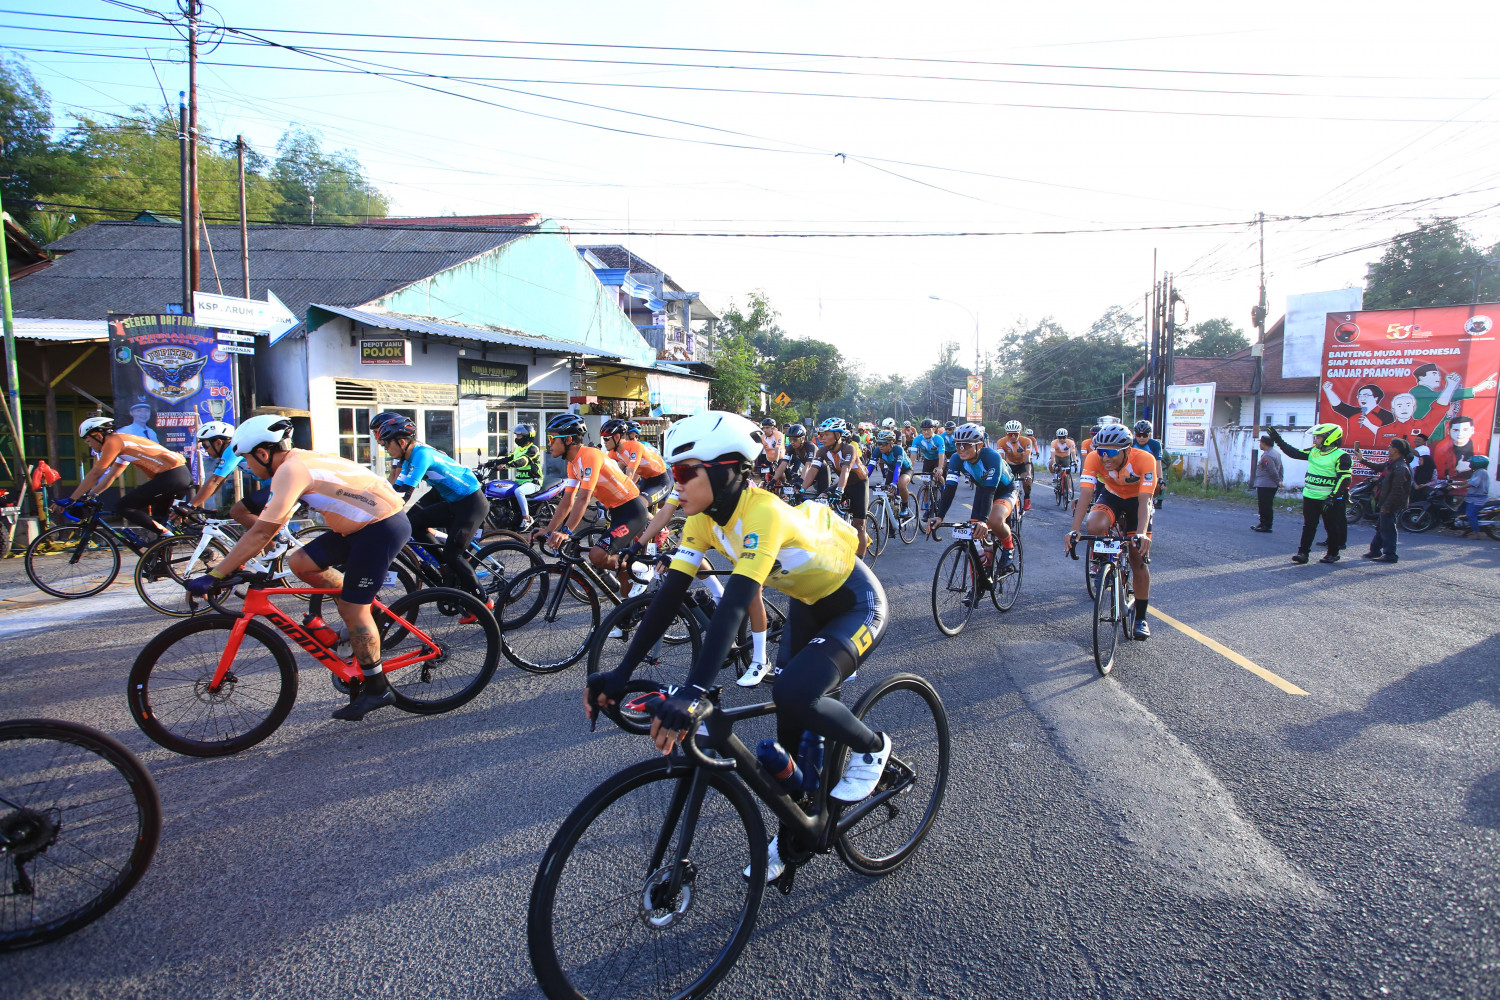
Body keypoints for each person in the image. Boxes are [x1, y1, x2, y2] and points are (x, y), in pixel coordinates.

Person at [586, 411, 892, 884]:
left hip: (855, 602)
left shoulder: (763, 512)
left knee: (794, 691)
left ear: (728, 471)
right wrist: (620, 673)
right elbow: (667, 598)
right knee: (788, 736)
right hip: (809, 604)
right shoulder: (702, 520)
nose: (675, 483)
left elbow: (733, 607)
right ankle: (797, 830)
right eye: (673, 471)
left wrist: (694, 691)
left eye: (685, 471)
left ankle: (873, 748)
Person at [185, 415, 411, 721]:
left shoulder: (291, 470)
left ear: (263, 454)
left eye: (247, 459)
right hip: (357, 526)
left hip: (381, 526)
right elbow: (269, 524)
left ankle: (377, 687)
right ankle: (366, 609)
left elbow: (261, 532)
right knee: (299, 562)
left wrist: (216, 573)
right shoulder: (294, 462)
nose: (246, 467)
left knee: (352, 609)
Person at [534, 413, 651, 590]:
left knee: (597, 556)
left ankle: (644, 568)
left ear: (568, 440)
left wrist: (566, 531)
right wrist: (548, 529)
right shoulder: (572, 464)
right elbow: (567, 499)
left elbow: (583, 498)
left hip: (632, 511)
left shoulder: (590, 455)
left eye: (552, 438)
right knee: (626, 589)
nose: (549, 444)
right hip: (617, 512)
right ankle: (630, 596)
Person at [379, 416, 490, 601]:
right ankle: (445, 567)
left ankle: (484, 601)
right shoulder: (408, 459)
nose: (385, 449)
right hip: (454, 503)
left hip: (472, 504)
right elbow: (396, 490)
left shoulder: (421, 455)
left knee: (453, 555)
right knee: (414, 523)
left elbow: (404, 495)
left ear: (401, 442)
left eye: (386, 444)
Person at [1065, 423, 1156, 640]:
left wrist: (1141, 533)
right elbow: (1086, 494)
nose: (1105, 457)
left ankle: (1141, 618)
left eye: (1111, 453)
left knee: (1137, 560)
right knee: (1094, 524)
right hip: (1112, 496)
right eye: (1102, 451)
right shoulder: (1094, 458)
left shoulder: (1145, 459)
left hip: (1137, 502)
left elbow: (1145, 500)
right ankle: (1103, 561)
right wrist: (1074, 530)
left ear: (1127, 450)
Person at [58, 417, 190, 540]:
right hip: (178, 475)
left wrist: (71, 499)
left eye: (88, 441)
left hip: (170, 476)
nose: (89, 445)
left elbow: (96, 473)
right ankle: (164, 550)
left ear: (98, 436)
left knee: (123, 506)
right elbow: (112, 475)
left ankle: (167, 536)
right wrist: (90, 495)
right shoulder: (123, 444)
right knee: (158, 521)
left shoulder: (113, 442)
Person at [925, 422, 1020, 578]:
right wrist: (939, 516)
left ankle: (1009, 547)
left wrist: (983, 520)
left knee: (994, 520)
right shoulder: (956, 459)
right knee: (973, 535)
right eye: (958, 445)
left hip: (1004, 490)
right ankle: (979, 581)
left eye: (967, 445)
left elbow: (991, 490)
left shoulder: (992, 457)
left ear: (979, 445)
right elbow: (949, 490)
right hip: (983, 489)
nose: (961, 449)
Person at [1268, 424, 1351, 565]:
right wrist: (1277, 439)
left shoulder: (1342, 456)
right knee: (1309, 526)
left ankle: (1333, 553)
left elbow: (1344, 479)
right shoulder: (1314, 452)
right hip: (1310, 496)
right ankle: (1303, 553)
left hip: (1328, 499)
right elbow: (1294, 453)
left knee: (1331, 526)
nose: (1315, 439)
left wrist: (1332, 497)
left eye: (1318, 437)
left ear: (1330, 438)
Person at [801, 417, 871, 556]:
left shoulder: (849, 449)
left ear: (838, 435)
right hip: (844, 484)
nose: (822, 437)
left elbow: (846, 470)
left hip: (859, 485)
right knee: (821, 500)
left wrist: (839, 491)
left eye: (826, 434)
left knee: (859, 525)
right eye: (822, 434)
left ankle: (861, 561)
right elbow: (813, 471)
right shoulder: (822, 451)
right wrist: (802, 489)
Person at [188, 420, 271, 529]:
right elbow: (219, 482)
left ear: (218, 442)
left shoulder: (232, 449)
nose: (205, 449)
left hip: (279, 485)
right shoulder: (233, 450)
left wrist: (190, 506)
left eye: (205, 444)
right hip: (275, 485)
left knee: (238, 511)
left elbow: (215, 481)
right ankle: (272, 537)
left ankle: (269, 535)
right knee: (261, 520)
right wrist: (196, 504)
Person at [603, 418, 673, 509]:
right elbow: (616, 471)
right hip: (646, 478)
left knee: (641, 504)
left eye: (606, 439)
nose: (604, 442)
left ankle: (665, 514)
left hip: (661, 478)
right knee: (633, 505)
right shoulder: (614, 452)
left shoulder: (637, 446)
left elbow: (631, 473)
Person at [1362, 438, 1412, 563]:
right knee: (1381, 527)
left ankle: (1390, 554)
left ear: (1396, 450)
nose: (1388, 448)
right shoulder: (1391, 463)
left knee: (1388, 529)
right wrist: (1362, 459)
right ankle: (1375, 551)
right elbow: (1378, 467)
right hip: (1385, 501)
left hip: (1392, 503)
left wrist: (1387, 506)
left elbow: (1397, 490)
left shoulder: (1400, 467)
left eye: (1390, 446)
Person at [871, 429, 913, 516]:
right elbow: (870, 467)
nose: (880, 446)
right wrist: (863, 479)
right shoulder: (877, 450)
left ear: (891, 443)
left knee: (901, 484)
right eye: (879, 443)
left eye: (884, 444)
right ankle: (894, 511)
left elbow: (898, 467)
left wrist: (894, 482)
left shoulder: (898, 450)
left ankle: (905, 506)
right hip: (891, 471)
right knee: (887, 492)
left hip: (905, 470)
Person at [997, 420, 1035, 512]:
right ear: (1006, 433)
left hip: (1023, 464)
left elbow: (1027, 458)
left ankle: (1027, 498)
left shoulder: (1027, 441)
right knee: (1003, 483)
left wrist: (1028, 474)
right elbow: (1001, 459)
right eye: (1010, 434)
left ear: (1020, 433)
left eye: (1015, 434)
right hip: (1010, 465)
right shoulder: (1001, 442)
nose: (1013, 436)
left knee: (1026, 480)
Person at [1251, 433, 1283, 533]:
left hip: (1266, 484)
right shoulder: (1275, 453)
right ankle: (1262, 523)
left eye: (1260, 443)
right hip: (1268, 484)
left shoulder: (1268, 455)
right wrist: (1280, 480)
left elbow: (1272, 471)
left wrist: (1278, 481)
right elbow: (1281, 468)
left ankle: (1266, 525)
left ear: (1264, 443)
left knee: (1265, 506)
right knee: (1264, 505)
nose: (1259, 444)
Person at [1133, 420, 1165, 509]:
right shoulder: (1131, 443)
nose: (1141, 438)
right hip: (1133, 473)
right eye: (1138, 435)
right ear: (1135, 435)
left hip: (1148, 473)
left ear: (1150, 435)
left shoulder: (1155, 444)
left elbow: (1158, 463)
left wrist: (1160, 479)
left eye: (1145, 435)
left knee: (1146, 499)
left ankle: (1148, 510)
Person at [1460, 455, 1492, 539]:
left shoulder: (1481, 472)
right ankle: (1467, 529)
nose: (1470, 464)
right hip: (1471, 498)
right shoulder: (1477, 472)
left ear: (1477, 463)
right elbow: (1467, 482)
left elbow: (1471, 484)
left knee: (1470, 514)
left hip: (1477, 499)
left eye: (1471, 462)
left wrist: (1457, 488)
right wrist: (1452, 483)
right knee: (1461, 512)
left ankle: (1477, 533)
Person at [754, 417, 784, 486]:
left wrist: (775, 461)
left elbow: (777, 448)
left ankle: (784, 485)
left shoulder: (779, 435)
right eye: (763, 428)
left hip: (780, 457)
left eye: (767, 428)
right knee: (767, 472)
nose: (764, 430)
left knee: (780, 473)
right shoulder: (763, 436)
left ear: (772, 428)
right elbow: (759, 448)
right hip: (769, 458)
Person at [1049, 428, 1077, 496]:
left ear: (1066, 436)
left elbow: (1073, 452)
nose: (1061, 439)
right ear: (1057, 437)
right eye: (1059, 437)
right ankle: (1055, 477)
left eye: (1063, 437)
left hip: (1066, 457)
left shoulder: (1070, 442)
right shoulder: (1054, 443)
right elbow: (1052, 455)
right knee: (1051, 463)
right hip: (1057, 456)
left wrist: (1074, 461)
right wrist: (1054, 463)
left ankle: (1069, 488)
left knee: (1067, 473)